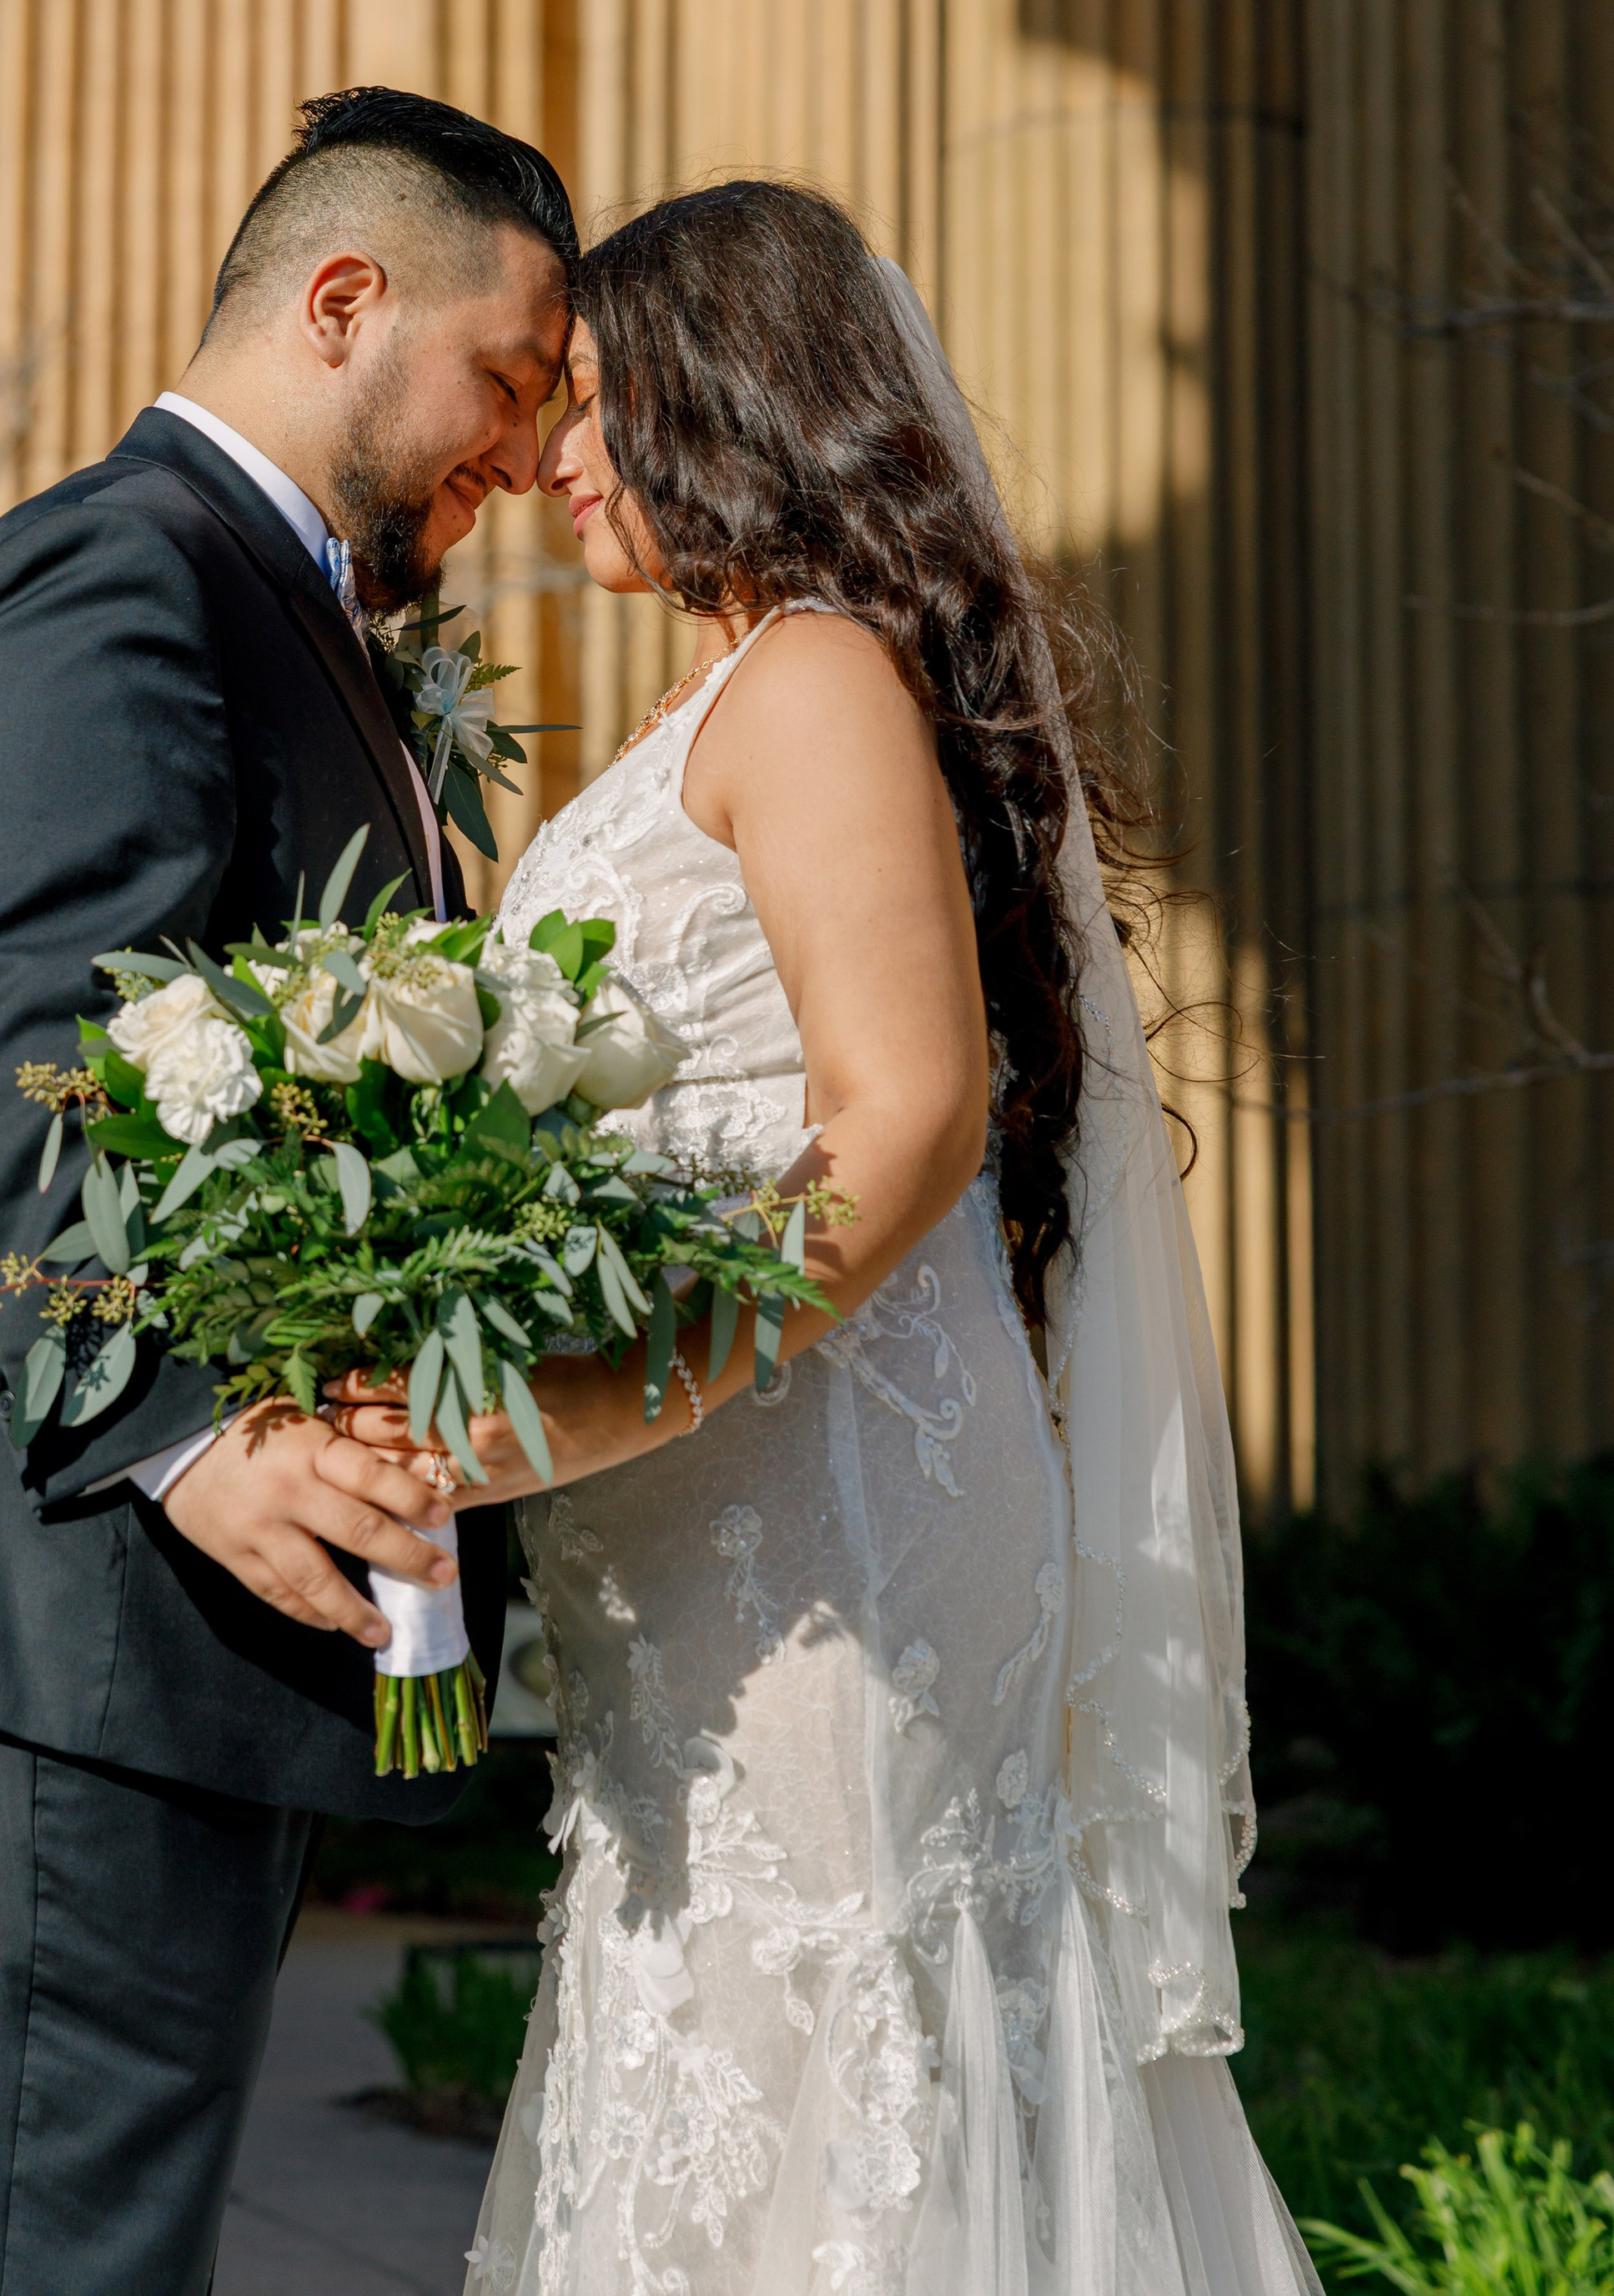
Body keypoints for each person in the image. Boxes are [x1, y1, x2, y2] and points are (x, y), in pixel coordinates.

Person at [332, 181, 1319, 2293]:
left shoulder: (806, 676)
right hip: (705, 1551)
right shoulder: (731, 698)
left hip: (832, 1529)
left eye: (593, 399)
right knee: (710, 2029)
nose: (555, 456)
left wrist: (557, 1405)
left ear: (727, 397)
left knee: (831, 2027)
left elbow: (909, 1113)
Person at [0, 88, 575, 2295]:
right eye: (515, 379)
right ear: (343, 299)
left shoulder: (288, 616)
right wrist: (180, 1420)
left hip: (111, 1639)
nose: (539, 454)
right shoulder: (122, 568)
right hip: (27, 1605)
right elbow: (16, 1031)